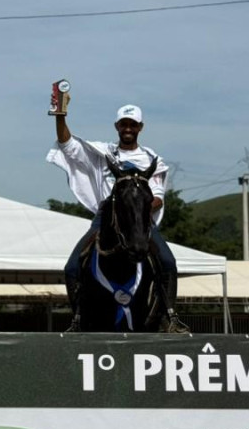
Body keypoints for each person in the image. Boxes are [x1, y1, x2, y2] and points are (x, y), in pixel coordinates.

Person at [47, 102, 186, 332]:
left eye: (133, 124)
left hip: (141, 220)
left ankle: (170, 317)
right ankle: (78, 319)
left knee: (168, 263)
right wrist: (60, 115)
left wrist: (135, 208)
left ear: (140, 127)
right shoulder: (103, 153)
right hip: (105, 218)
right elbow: (67, 144)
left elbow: (158, 197)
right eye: (124, 124)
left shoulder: (152, 159)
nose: (128, 128)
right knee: (72, 267)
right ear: (117, 126)